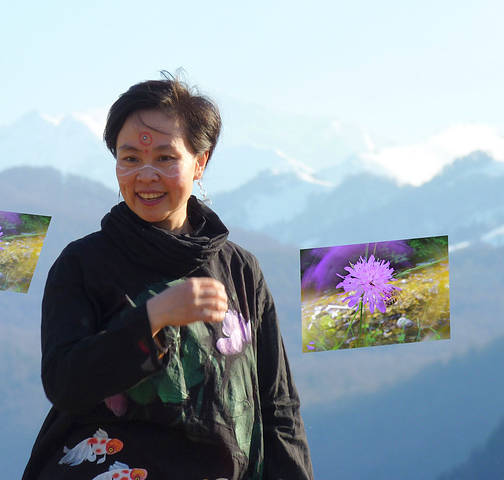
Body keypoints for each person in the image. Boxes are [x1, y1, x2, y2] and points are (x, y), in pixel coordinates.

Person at [22, 73, 314, 480]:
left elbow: (277, 406)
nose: (145, 175)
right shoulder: (83, 264)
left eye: (165, 158)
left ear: (200, 163)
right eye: (129, 158)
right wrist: (151, 318)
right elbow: (65, 382)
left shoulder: (240, 270)